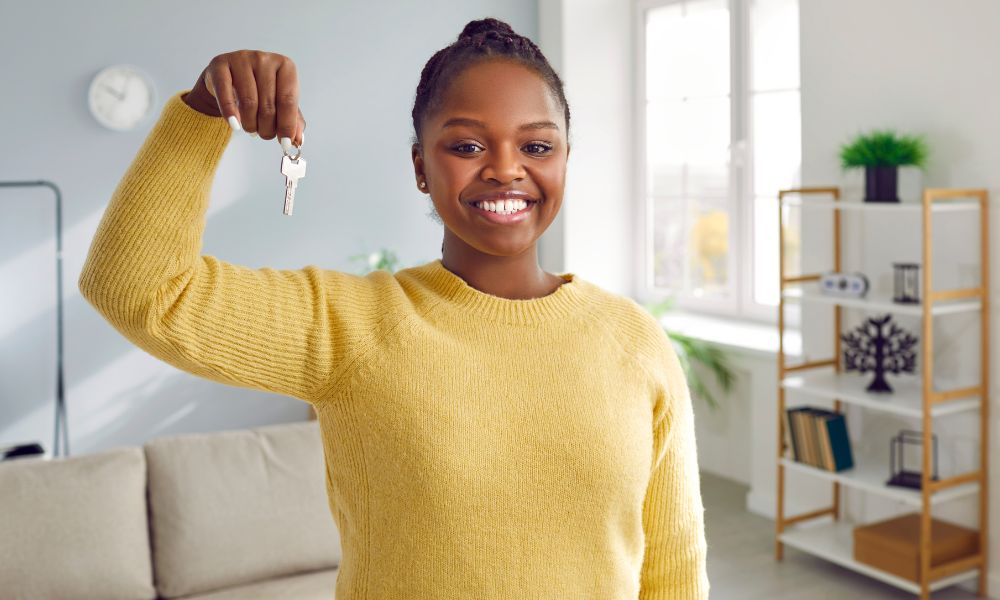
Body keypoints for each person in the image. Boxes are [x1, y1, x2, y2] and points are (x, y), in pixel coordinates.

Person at [78, 17, 709, 599]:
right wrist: (201, 115)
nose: (505, 169)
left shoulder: (635, 341)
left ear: (565, 159)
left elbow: (673, 569)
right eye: (466, 147)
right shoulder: (351, 326)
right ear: (420, 166)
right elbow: (137, 287)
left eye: (538, 147)